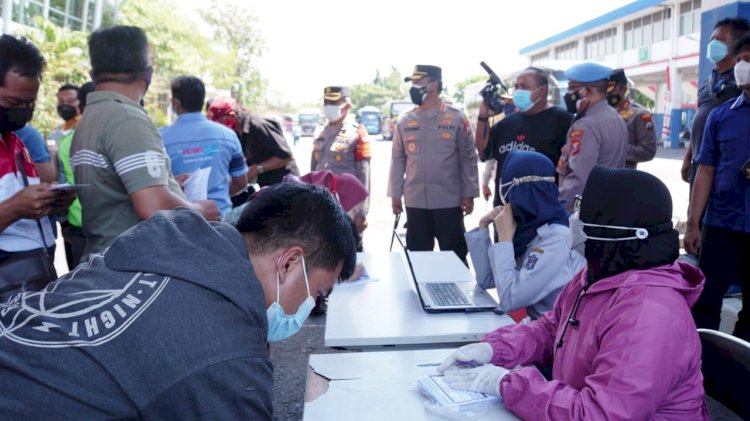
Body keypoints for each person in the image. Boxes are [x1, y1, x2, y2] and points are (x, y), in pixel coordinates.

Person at [0, 183, 356, 419]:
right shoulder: (224, 354)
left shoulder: (172, 246)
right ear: (290, 262)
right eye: (318, 293)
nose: (312, 305)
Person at [438, 165, 708, 420]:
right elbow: (550, 329)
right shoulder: (597, 277)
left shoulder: (649, 313)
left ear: (613, 230)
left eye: (584, 209)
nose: (574, 217)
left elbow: (599, 414)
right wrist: (495, 349)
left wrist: (506, 383)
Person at [71, 26, 220, 261]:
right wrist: (201, 211)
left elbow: (116, 183)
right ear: (147, 73)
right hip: (134, 261)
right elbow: (152, 206)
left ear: (93, 73)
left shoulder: (92, 116)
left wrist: (167, 183)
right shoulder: (127, 118)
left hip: (107, 257)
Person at [465, 151, 585, 319]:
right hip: (536, 328)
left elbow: (509, 299)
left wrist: (505, 240)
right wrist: (483, 228)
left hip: (553, 336)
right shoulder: (528, 226)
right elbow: (488, 280)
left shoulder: (557, 237)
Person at [686, 35, 750, 341]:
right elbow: (705, 171)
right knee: (706, 298)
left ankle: (738, 370)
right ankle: (700, 362)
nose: (742, 67)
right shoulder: (721, 115)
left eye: (749, 60)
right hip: (721, 222)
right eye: (740, 60)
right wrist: (694, 222)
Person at [0, 35, 74, 292]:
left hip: (34, 276)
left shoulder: (16, 141)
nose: (24, 111)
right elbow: (13, 206)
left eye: (30, 103)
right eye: (14, 103)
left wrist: (51, 202)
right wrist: (14, 208)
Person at [388, 65, 479, 263]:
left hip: (449, 201)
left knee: (454, 257)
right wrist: (395, 194)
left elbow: (468, 158)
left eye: (418, 83)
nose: (414, 88)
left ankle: (456, 294)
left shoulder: (456, 118)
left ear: (434, 85)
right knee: (419, 259)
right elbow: (397, 159)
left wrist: (469, 193)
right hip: (415, 203)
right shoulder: (405, 120)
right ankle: (421, 294)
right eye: (412, 84)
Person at [476, 67, 573, 208]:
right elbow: (483, 152)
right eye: (516, 87)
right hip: (505, 214)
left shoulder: (563, 122)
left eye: (525, 87)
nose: (518, 91)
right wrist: (482, 116)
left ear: (543, 90)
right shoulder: (506, 124)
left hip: (543, 213)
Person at [161, 76, 248, 217]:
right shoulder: (228, 135)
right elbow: (240, 182)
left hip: (179, 221)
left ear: (176, 103)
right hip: (221, 218)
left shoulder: (159, 138)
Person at [681, 18, 749, 186]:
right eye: (711, 40)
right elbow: (699, 120)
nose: (712, 45)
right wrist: (688, 156)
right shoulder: (707, 82)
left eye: (719, 40)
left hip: (728, 168)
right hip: (700, 163)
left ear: (737, 44)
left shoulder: (744, 82)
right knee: (697, 208)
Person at [557, 62, 628, 211]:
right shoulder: (615, 117)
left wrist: (557, 208)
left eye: (572, 88)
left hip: (584, 211)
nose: (569, 94)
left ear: (587, 91)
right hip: (608, 204)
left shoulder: (586, 126)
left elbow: (579, 179)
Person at [311, 86, 371, 238]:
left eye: (333, 102)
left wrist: (362, 212)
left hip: (348, 208)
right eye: (326, 102)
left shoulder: (357, 132)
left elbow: (364, 176)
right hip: (322, 207)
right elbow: (313, 171)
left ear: (347, 105)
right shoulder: (320, 132)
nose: (328, 106)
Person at [208, 97, 299, 188]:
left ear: (233, 115)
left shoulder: (258, 124)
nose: (219, 125)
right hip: (266, 185)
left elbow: (285, 155)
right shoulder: (236, 134)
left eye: (220, 120)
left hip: (286, 183)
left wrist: (257, 168)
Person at [57, 81, 94, 270]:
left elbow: (62, 181)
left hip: (77, 221)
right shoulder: (116, 136)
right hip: (105, 223)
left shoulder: (67, 140)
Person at [608, 68, 657, 169]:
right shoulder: (598, 112)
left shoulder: (639, 115)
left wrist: (613, 149)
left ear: (624, 89)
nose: (608, 94)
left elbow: (648, 150)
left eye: (612, 89)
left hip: (622, 176)